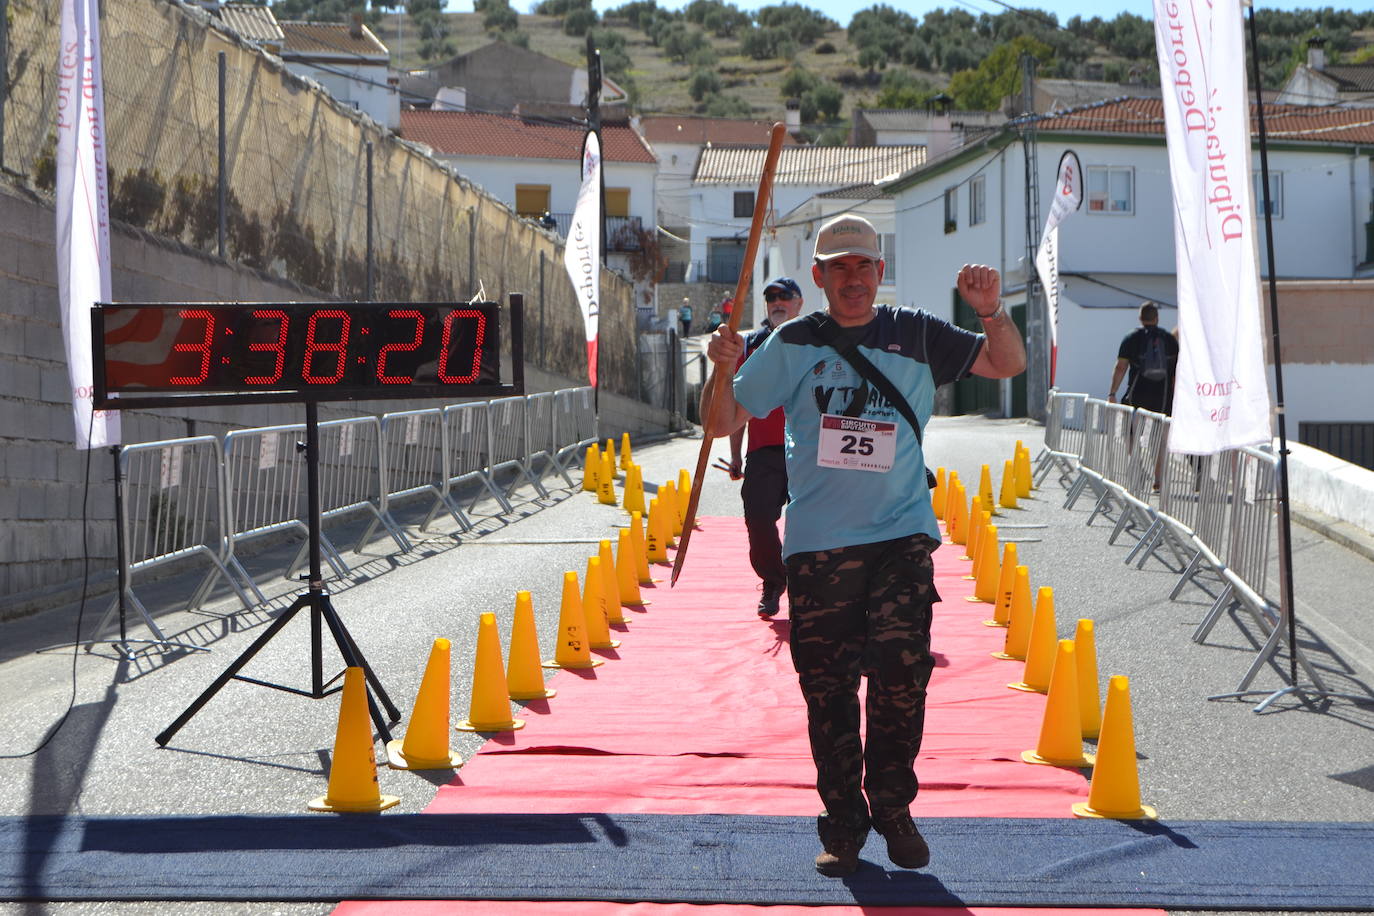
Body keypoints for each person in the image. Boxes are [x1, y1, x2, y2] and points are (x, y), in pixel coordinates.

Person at [701, 214, 1025, 877]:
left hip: (901, 538)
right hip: (819, 546)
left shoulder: (916, 332)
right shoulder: (791, 341)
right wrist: (723, 370)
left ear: (881, 273)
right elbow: (722, 419)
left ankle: (894, 807)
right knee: (829, 691)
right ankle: (844, 821)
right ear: (818, 277)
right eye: (838, 267)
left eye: (864, 266)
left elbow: (1006, 363)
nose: (853, 278)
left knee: (902, 679)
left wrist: (992, 312)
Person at [727, 277, 805, 619]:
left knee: (810, 523)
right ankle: (774, 580)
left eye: (784, 296)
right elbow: (735, 405)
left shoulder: (817, 340)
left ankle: (809, 590)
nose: (777, 302)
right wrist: (734, 456)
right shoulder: (749, 347)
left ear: (799, 302)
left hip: (810, 449)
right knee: (758, 518)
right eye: (771, 297)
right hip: (764, 451)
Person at [1108, 301, 1179, 414]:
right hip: (1163, 400)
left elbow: (1120, 367)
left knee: (1131, 430)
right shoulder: (1169, 339)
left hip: (1136, 397)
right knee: (1159, 430)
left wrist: (1112, 393)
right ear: (1157, 318)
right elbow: (1176, 373)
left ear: (1140, 318)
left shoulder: (1131, 338)